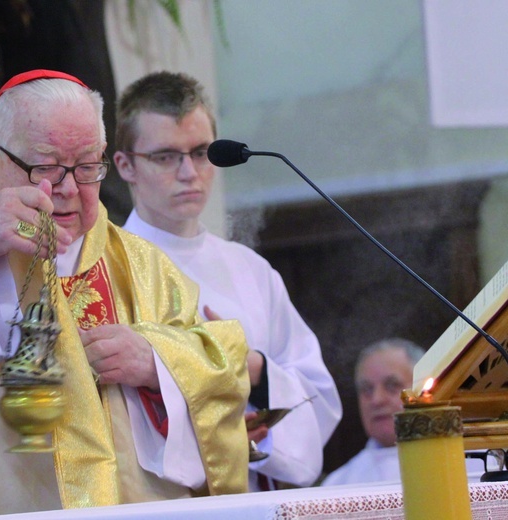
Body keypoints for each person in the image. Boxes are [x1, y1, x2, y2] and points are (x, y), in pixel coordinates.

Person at [0, 70, 251, 519]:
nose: (67, 188)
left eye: (86, 166)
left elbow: (223, 371)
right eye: (45, 167)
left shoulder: (144, 267)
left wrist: (158, 362)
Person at [113, 71, 342, 491]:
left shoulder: (250, 270)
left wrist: (252, 368)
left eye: (201, 153)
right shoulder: (109, 268)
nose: (189, 172)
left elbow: (319, 401)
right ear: (125, 165)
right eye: (165, 156)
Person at [321, 337, 425, 486]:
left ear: (423, 389)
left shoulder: (463, 465)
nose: (377, 400)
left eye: (392, 385)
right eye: (367, 389)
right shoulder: (337, 485)